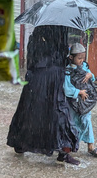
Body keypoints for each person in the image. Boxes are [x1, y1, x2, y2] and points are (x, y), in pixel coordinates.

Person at [7, 26, 80, 165]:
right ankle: (64, 152)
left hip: (35, 80)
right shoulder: (59, 33)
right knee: (59, 115)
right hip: (52, 80)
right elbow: (60, 58)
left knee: (30, 112)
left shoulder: (36, 35)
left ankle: (20, 143)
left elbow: (31, 61)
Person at [65, 43, 97, 157]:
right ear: (71, 57)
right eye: (79, 58)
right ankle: (69, 145)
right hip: (73, 103)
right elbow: (66, 88)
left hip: (85, 102)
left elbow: (93, 78)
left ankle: (90, 146)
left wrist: (90, 75)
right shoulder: (67, 71)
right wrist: (78, 92)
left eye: (83, 58)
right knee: (73, 123)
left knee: (86, 120)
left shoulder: (85, 66)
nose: (81, 60)